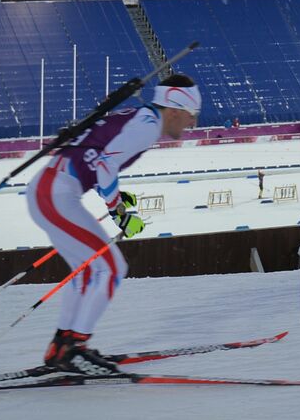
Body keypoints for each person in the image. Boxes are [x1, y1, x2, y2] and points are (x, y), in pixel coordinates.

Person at [27, 73, 202, 376]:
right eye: (191, 115)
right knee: (112, 268)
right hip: (56, 193)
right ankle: (75, 349)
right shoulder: (148, 127)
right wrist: (117, 212)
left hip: (48, 189)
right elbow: (106, 165)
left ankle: (61, 347)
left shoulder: (141, 117)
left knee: (86, 273)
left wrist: (119, 200)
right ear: (174, 109)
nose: (192, 124)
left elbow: (98, 158)